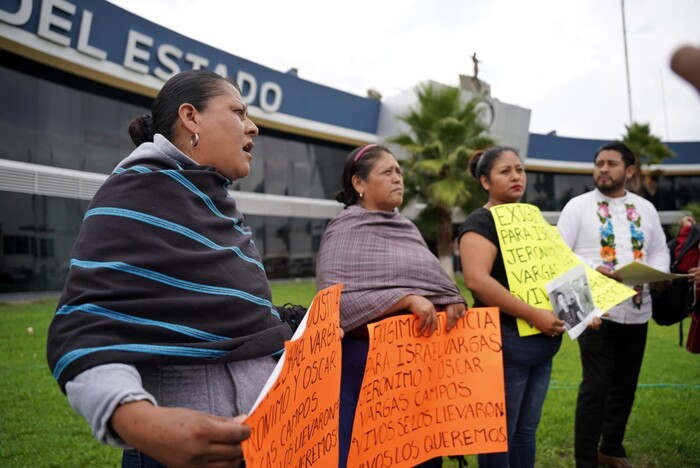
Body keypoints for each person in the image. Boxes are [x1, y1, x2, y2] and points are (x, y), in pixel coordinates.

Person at [46, 70, 303, 467]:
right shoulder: (132, 194)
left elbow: (247, 323)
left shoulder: (222, 208)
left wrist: (300, 328)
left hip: (267, 446)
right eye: (238, 111)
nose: (252, 126)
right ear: (191, 117)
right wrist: (142, 424)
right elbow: (85, 327)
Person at [315, 144, 468, 468]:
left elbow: (434, 281)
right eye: (388, 172)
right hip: (364, 368)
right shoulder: (343, 229)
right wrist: (405, 299)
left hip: (420, 368)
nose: (398, 179)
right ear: (359, 184)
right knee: (368, 453)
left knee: (418, 452)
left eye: (399, 171)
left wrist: (450, 299)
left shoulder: (407, 228)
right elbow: (335, 305)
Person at [457, 146, 599, 468]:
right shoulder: (479, 222)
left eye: (519, 169)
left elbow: (556, 271)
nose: (516, 176)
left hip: (544, 345)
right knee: (499, 434)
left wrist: (583, 312)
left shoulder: (534, 219)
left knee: (525, 430)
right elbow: (477, 281)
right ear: (484, 181)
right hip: (505, 343)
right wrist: (532, 314)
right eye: (505, 171)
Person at [557, 141, 670, 468]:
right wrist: (595, 268)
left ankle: (612, 448)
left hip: (637, 309)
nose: (603, 169)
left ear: (629, 171)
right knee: (595, 388)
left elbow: (660, 248)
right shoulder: (577, 206)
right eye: (599, 163)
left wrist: (658, 272)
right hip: (596, 311)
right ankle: (585, 459)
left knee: (625, 384)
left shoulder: (645, 208)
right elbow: (559, 254)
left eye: (611, 163)